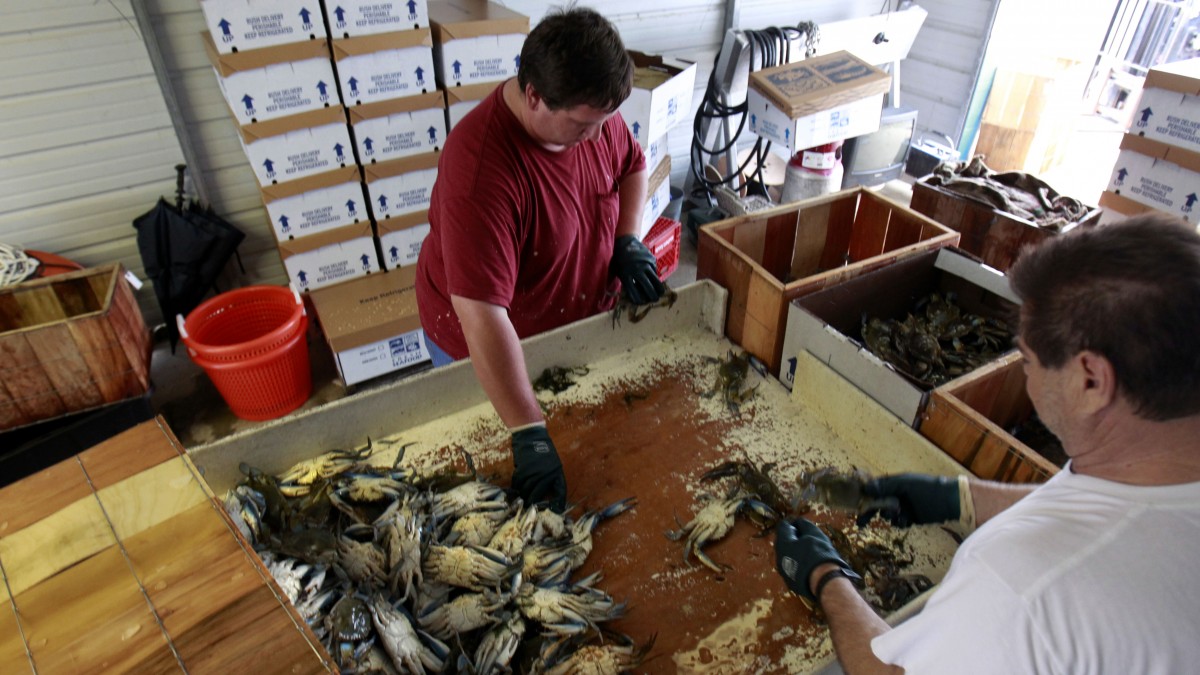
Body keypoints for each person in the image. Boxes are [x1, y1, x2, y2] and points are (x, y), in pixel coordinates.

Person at [774, 213, 1200, 673]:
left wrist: (826, 577)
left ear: (1091, 380)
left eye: (1030, 360)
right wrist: (961, 499)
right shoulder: (1162, 464)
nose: (1025, 372)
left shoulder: (1020, 589)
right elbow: (1108, 510)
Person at [415, 4, 665, 512]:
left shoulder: (590, 115)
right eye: (582, 126)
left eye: (605, 122)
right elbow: (481, 315)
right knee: (481, 487)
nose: (596, 137)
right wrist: (527, 430)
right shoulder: (480, 172)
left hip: (567, 319)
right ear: (534, 96)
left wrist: (627, 240)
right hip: (486, 344)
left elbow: (633, 165)